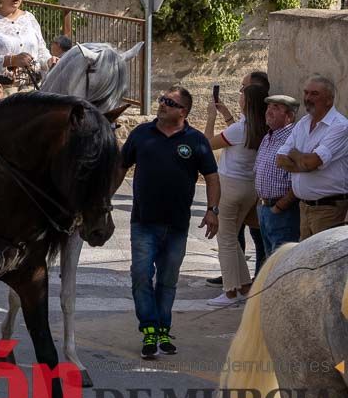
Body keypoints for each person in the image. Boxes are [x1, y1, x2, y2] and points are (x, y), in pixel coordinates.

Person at [122, 86, 219, 359]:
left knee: (167, 280)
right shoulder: (141, 134)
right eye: (161, 100)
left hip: (177, 225)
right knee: (141, 275)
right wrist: (104, 200)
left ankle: (163, 328)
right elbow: (120, 166)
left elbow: (212, 176)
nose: (161, 104)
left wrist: (212, 210)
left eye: (169, 102)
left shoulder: (196, 140)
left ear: (183, 111)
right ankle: (149, 329)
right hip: (143, 222)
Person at [204, 82, 269, 306]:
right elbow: (238, 134)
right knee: (232, 237)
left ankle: (230, 291)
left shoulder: (240, 129)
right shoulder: (260, 126)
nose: (239, 95)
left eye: (242, 93)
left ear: (248, 101)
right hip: (249, 186)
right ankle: (243, 285)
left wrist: (211, 117)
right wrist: (227, 115)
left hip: (230, 186)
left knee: (226, 239)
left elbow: (206, 145)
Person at [277, 75, 348, 240]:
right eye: (306, 92)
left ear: (329, 100)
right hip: (304, 208)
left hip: (328, 210)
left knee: (325, 261)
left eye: (314, 94)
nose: (308, 98)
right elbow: (280, 159)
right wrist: (305, 163)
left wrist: (295, 154)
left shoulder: (340, 127)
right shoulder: (303, 123)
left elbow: (312, 162)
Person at [254, 94, 300, 258]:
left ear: (289, 116)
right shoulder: (268, 137)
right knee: (269, 260)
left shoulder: (293, 139)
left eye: (276, 108)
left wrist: (279, 206)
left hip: (283, 212)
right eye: (269, 107)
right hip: (265, 209)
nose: (269, 111)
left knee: (281, 262)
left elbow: (299, 180)